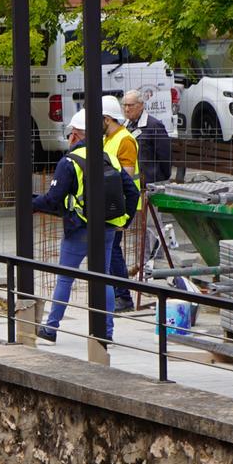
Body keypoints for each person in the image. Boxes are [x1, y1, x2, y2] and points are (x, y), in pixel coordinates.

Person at [31, 111, 132, 343]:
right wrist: (125, 220)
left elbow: (53, 199)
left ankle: (51, 328)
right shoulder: (109, 157)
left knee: (65, 278)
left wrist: (31, 203)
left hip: (79, 228)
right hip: (107, 228)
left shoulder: (69, 162)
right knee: (103, 277)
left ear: (75, 135)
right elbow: (132, 191)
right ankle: (106, 332)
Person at [123, 89, 175, 269]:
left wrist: (159, 178)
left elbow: (165, 155)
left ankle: (154, 261)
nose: (127, 109)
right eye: (125, 105)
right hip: (134, 185)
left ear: (141, 106)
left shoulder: (154, 125)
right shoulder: (126, 125)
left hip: (151, 184)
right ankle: (144, 261)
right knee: (140, 225)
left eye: (131, 105)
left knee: (152, 224)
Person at [98, 97, 139, 311]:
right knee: (110, 250)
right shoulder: (109, 138)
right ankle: (117, 295)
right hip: (111, 204)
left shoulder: (125, 140)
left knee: (113, 250)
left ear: (107, 119)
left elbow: (127, 177)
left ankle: (123, 296)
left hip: (118, 205)